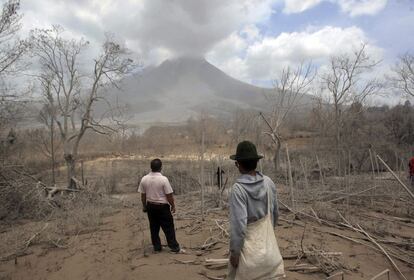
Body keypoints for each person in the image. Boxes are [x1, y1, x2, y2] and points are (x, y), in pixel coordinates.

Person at [227, 141, 284, 280]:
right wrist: (266, 239)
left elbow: (239, 227)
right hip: (271, 256)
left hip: (250, 259)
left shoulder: (238, 189)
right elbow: (275, 215)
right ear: (256, 162)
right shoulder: (268, 182)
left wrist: (235, 254)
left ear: (238, 164)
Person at [138, 158, 180, 253]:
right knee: (168, 227)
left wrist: (144, 206)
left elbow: (143, 195)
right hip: (162, 207)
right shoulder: (163, 179)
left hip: (150, 206)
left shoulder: (144, 179)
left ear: (151, 167)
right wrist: (172, 205)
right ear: (161, 167)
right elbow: (169, 195)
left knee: (154, 227)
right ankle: (174, 247)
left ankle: (157, 247)